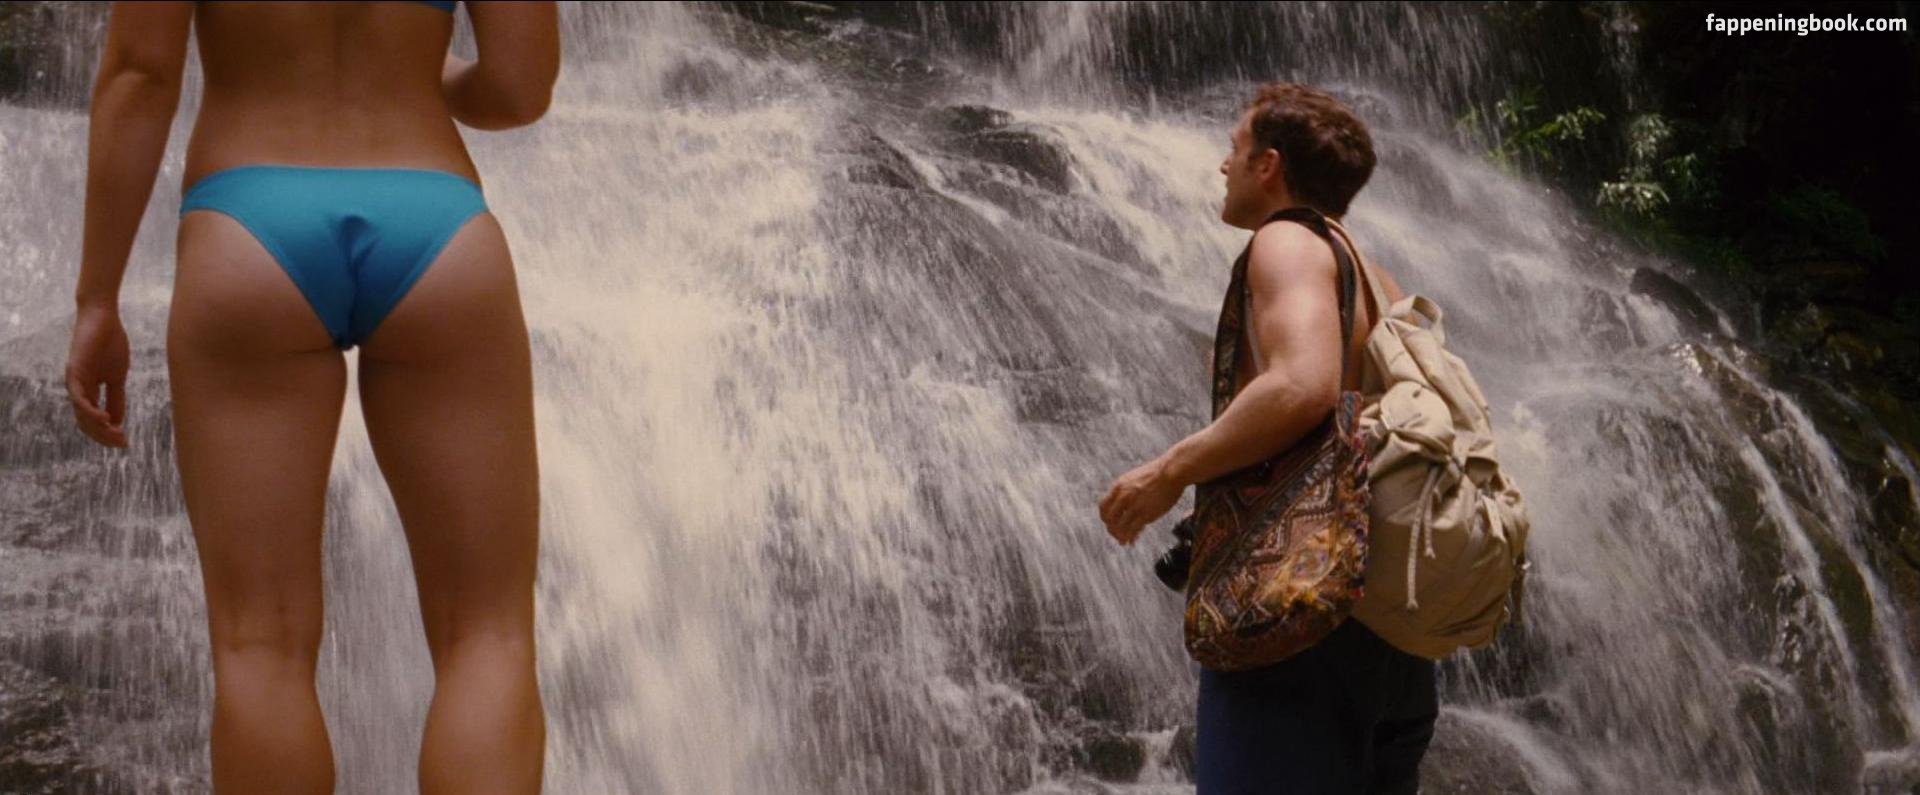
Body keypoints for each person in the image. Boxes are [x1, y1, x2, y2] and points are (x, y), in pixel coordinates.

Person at [63, 2, 559, 792]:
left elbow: (140, 74)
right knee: (486, 636)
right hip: (436, 220)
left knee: (260, 646)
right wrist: (423, 74)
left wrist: (97, 299)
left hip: (247, 223)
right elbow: (521, 86)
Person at [1097, 82, 1433, 794]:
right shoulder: (1373, 275)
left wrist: (1168, 472)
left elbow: (1302, 384)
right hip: (1384, 620)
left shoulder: (1287, 242)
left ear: (1268, 165)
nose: (1224, 166)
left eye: (1235, 148)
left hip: (1301, 611)